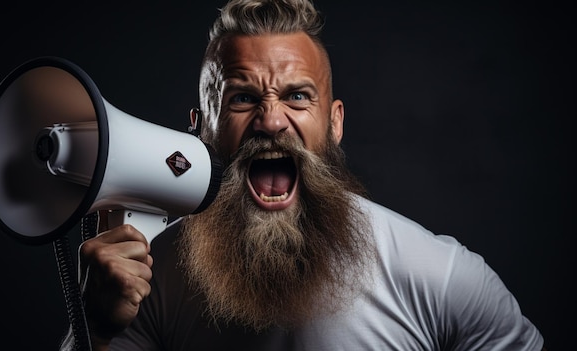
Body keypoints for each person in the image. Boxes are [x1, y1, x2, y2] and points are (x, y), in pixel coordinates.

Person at [61, 0, 545, 350]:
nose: (271, 122)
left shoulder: (441, 276)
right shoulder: (152, 279)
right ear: (201, 129)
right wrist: (95, 329)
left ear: (334, 122)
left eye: (297, 96)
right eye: (242, 98)